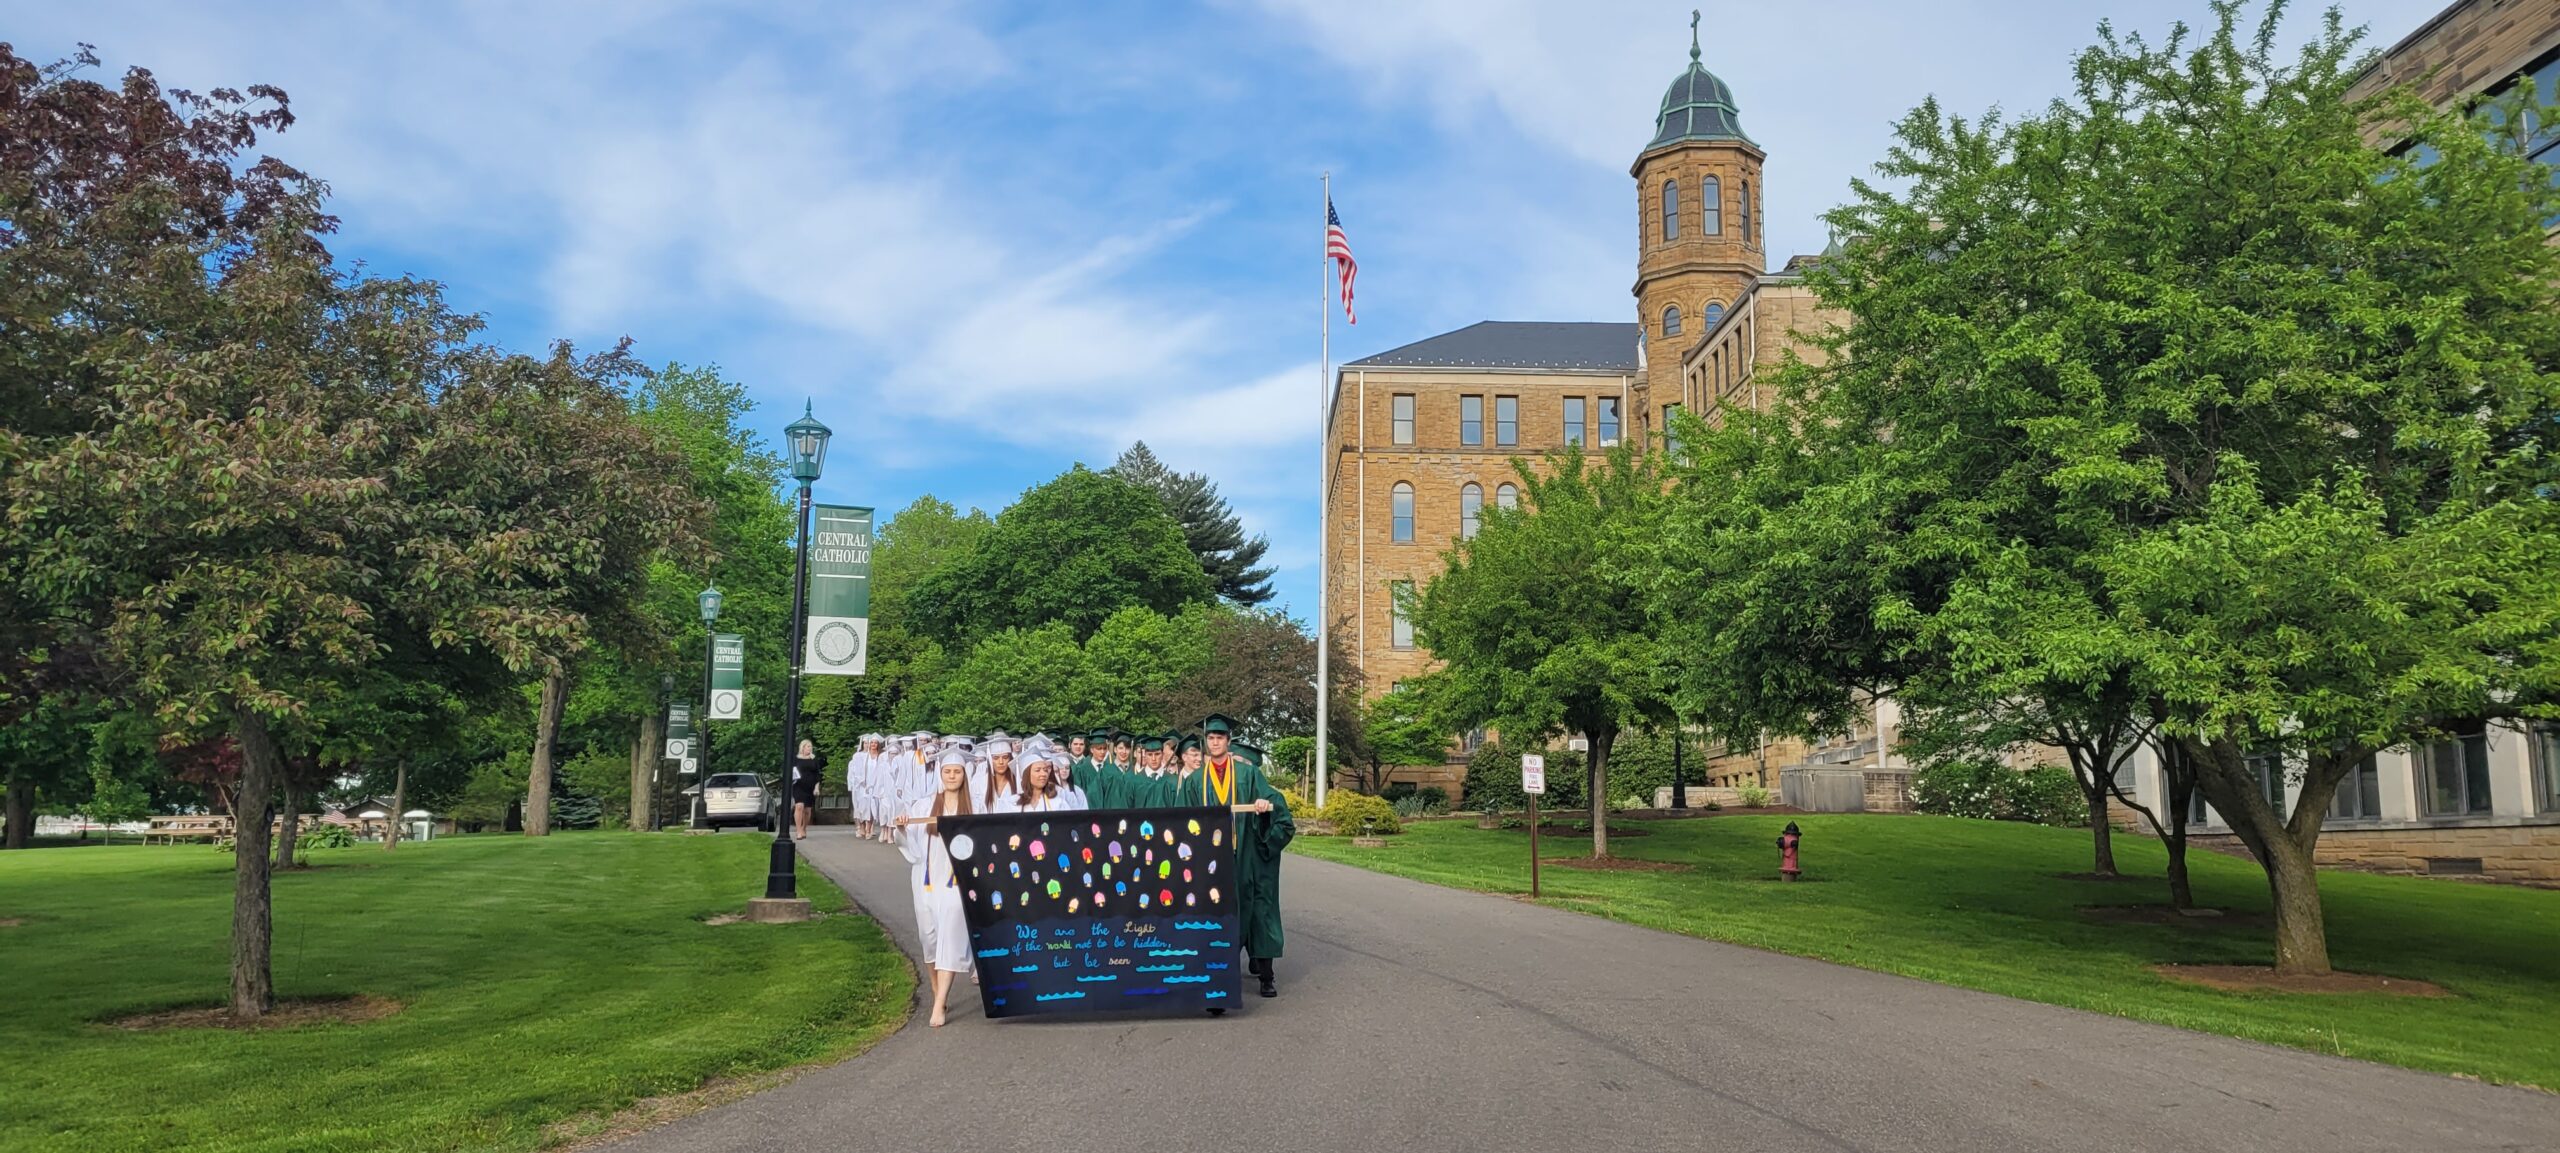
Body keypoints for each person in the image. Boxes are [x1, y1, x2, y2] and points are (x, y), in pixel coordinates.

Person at [1196, 714, 1292, 998]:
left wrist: (1264, 805)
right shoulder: (1196, 781)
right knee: (1219, 914)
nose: (1215, 742)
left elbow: (1274, 802)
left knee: (1259, 913)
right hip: (1213, 861)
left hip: (1245, 854)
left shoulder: (1249, 775)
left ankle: (1266, 976)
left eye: (1220, 738)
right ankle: (1220, 975)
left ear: (1228, 741)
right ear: (1206, 742)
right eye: (1211, 738)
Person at [898, 748, 976, 1027]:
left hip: (957, 882)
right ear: (941, 775)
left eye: (957, 771)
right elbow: (913, 846)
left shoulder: (974, 806)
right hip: (927, 879)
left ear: (964, 775)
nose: (952, 776)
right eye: (947, 772)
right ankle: (935, 989)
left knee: (950, 936)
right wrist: (903, 829)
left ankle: (940, 1002)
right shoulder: (924, 806)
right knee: (929, 938)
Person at [787, 737, 824, 838]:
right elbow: (792, 772)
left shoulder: (814, 760)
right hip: (798, 785)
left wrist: (816, 788)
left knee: (807, 810)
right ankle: (798, 830)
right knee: (799, 806)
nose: (810, 749)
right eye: (808, 747)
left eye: (811, 747)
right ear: (802, 747)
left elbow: (817, 775)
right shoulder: (796, 759)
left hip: (810, 787)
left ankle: (804, 828)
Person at [848, 733, 883, 838]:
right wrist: (862, 782)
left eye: (875, 743)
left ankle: (869, 829)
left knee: (872, 809)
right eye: (871, 742)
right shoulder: (863, 757)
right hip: (864, 786)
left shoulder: (880, 757)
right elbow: (858, 771)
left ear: (878, 744)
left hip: (875, 786)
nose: (872, 744)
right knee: (863, 808)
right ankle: (862, 827)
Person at [980, 737, 1021, 813]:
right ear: (990, 760)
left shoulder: (1018, 782)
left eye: (1005, 757)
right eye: (995, 758)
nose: (1001, 762)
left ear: (1010, 759)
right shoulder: (979, 783)